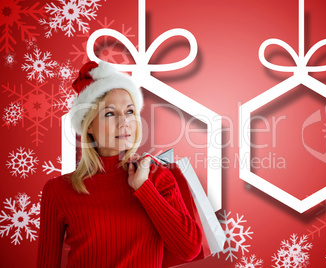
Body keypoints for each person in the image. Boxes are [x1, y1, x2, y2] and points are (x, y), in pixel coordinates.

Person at [36, 61, 202, 268]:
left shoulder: (157, 176)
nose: (124, 122)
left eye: (130, 111)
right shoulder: (58, 190)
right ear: (89, 126)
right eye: (109, 113)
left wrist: (144, 189)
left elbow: (189, 249)